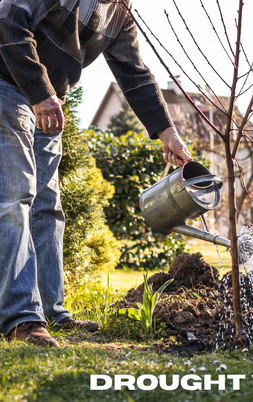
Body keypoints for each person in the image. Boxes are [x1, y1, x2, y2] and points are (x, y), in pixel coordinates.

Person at [0, 0, 192, 347]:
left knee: (47, 207)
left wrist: (167, 132)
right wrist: (39, 92)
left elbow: (134, 72)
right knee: (16, 196)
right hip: (7, 83)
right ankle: (21, 318)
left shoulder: (119, 11)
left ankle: (53, 313)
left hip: (49, 100)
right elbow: (8, 18)